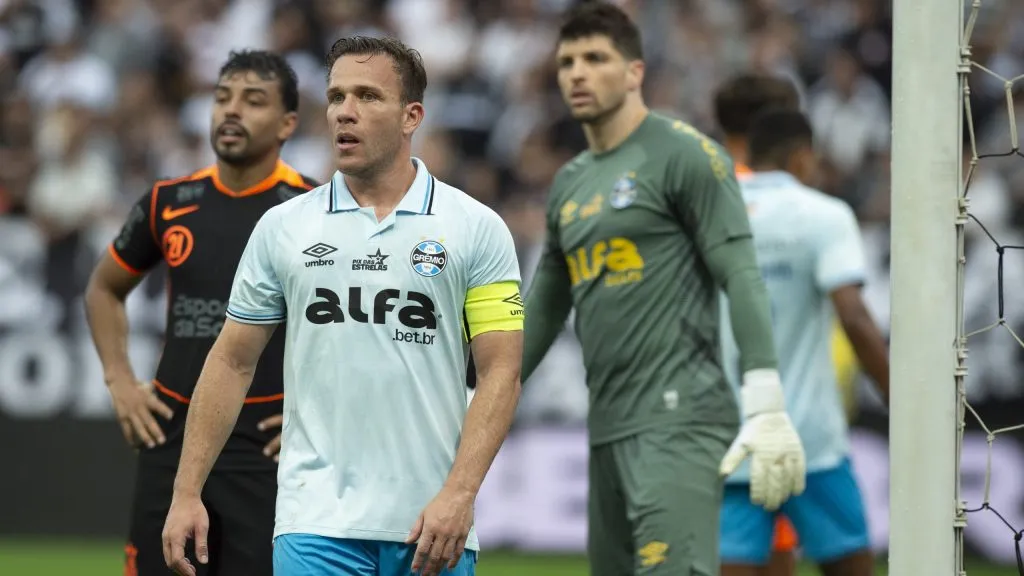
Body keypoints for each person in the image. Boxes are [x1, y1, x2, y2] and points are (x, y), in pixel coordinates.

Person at [160, 36, 524, 576]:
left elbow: (501, 370)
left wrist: (460, 494)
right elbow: (232, 360)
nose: (344, 113)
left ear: (411, 116)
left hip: (432, 526)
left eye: (368, 97)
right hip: (315, 521)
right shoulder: (284, 227)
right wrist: (187, 490)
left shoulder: (475, 227)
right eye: (335, 97)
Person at [521, 4, 806, 575]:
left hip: (679, 421)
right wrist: (475, 394)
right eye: (567, 61)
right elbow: (544, 311)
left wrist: (766, 399)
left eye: (596, 59)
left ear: (634, 72)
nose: (577, 73)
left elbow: (741, 272)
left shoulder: (687, 155)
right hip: (605, 425)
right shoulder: (571, 182)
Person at [84, 50, 316, 576]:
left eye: (252, 101)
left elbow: (350, 325)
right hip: (171, 430)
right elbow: (103, 288)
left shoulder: (311, 209)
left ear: (286, 124)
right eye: (222, 98)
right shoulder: (168, 202)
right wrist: (119, 379)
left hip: (265, 445)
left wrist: (319, 410)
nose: (231, 111)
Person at [712, 73, 873, 576]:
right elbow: (852, 312)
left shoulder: (703, 207)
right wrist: (900, 394)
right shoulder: (821, 213)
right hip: (811, 437)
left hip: (728, 432)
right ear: (801, 152)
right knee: (846, 563)